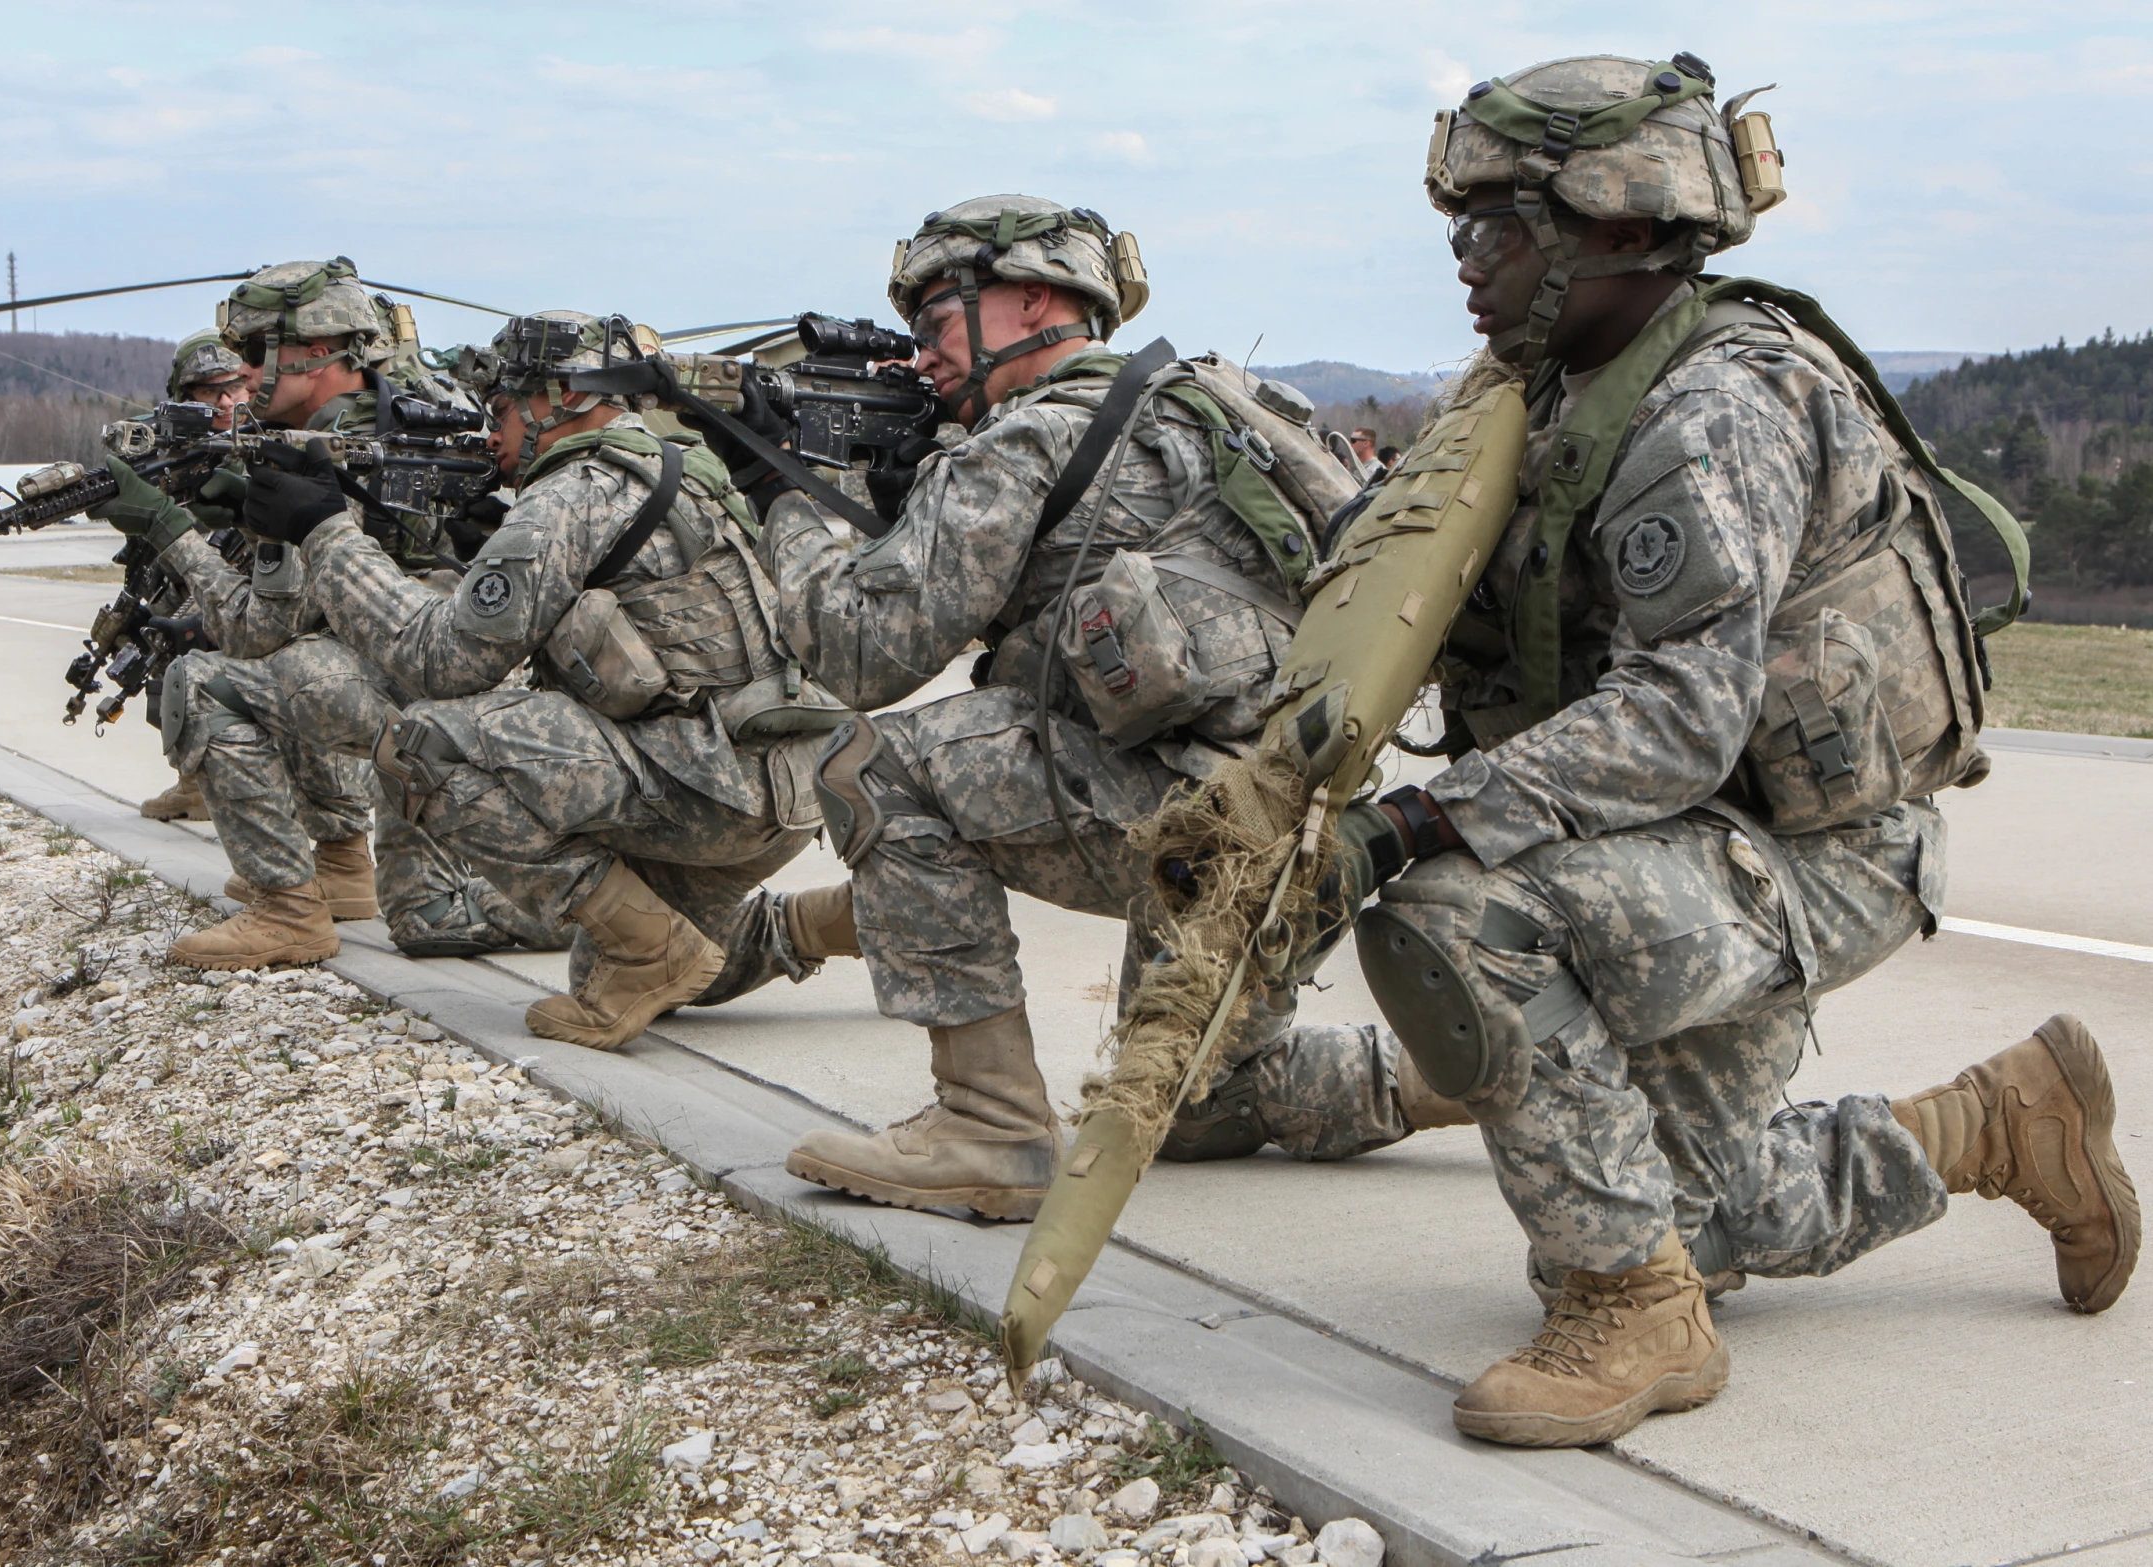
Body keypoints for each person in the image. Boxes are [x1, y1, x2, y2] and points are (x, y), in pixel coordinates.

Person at [1257, 53, 2136, 1450]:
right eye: (1460, 231)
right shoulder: (1539, 398)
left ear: (1614, 223)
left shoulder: (1712, 407)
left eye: (1496, 229)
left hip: (1811, 853)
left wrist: (1412, 824)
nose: (1465, 266)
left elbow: (1676, 715)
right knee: (1712, 1210)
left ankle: (1631, 1306)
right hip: (1686, 844)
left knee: (1455, 919)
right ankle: (1996, 1120)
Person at [749, 195, 1393, 1221]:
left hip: (1189, 824)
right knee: (1189, 1103)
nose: (922, 358)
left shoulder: (1027, 442)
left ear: (1033, 300)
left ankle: (986, 1123)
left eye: (936, 324)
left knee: (872, 760)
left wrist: (791, 497)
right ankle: (1476, 1068)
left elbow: (858, 653)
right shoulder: (1199, 409)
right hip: (1305, 836)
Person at [240, 310, 839, 1046]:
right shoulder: (684, 466)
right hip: (781, 790)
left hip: (704, 786)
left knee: (423, 743)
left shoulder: (574, 491)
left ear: (561, 396)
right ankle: (836, 921)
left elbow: (441, 661)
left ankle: (653, 946)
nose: (491, 435)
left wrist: (326, 532)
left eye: (501, 411)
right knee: (620, 972)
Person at [93, 263, 559, 968]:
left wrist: (167, 528)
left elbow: (256, 630)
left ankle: (288, 909)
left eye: (254, 356)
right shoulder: (420, 413)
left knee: (210, 680)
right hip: (480, 703)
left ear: (314, 353)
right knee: (426, 917)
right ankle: (345, 863)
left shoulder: (316, 453)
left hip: (427, 709)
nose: (243, 379)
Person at [133, 331, 261, 825]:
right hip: (187, 575)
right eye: (210, 392)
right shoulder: (173, 450)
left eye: (235, 387)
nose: (227, 401)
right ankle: (192, 783)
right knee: (155, 657)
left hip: (246, 586)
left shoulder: (265, 439)